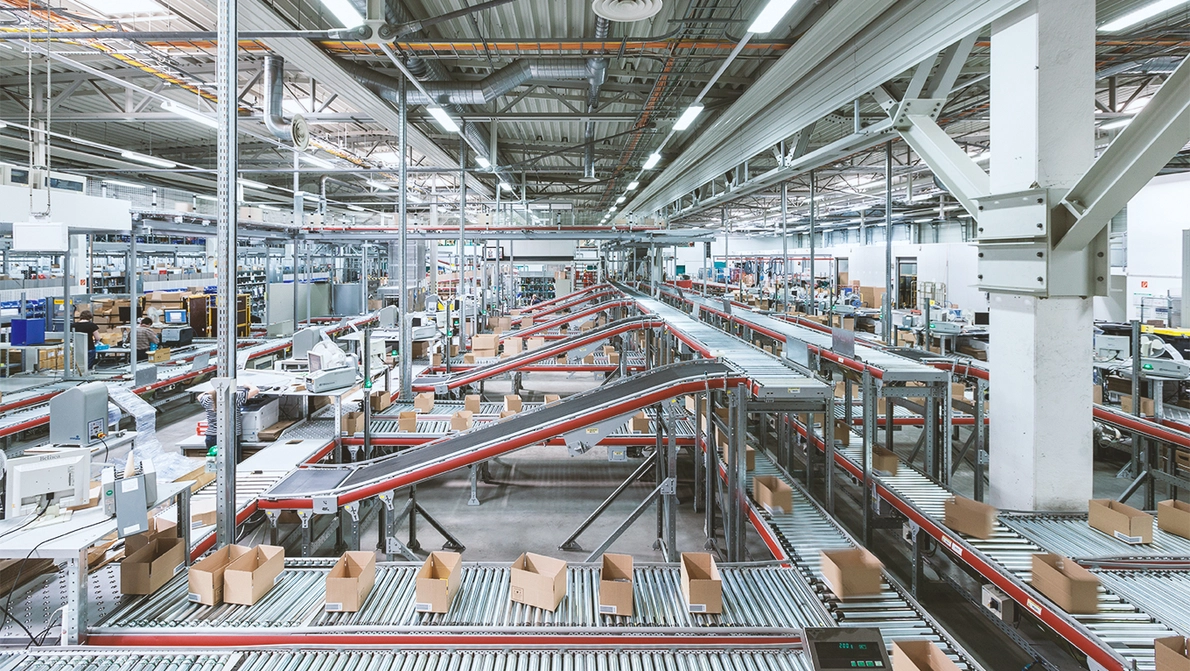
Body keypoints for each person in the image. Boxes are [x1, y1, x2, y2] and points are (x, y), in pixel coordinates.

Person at [197, 385, 260, 454]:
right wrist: (248, 384)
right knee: (233, 463)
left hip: (212, 437)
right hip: (230, 437)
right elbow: (256, 390)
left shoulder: (208, 400)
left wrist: (213, 390)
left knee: (215, 462)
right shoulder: (234, 398)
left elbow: (199, 396)